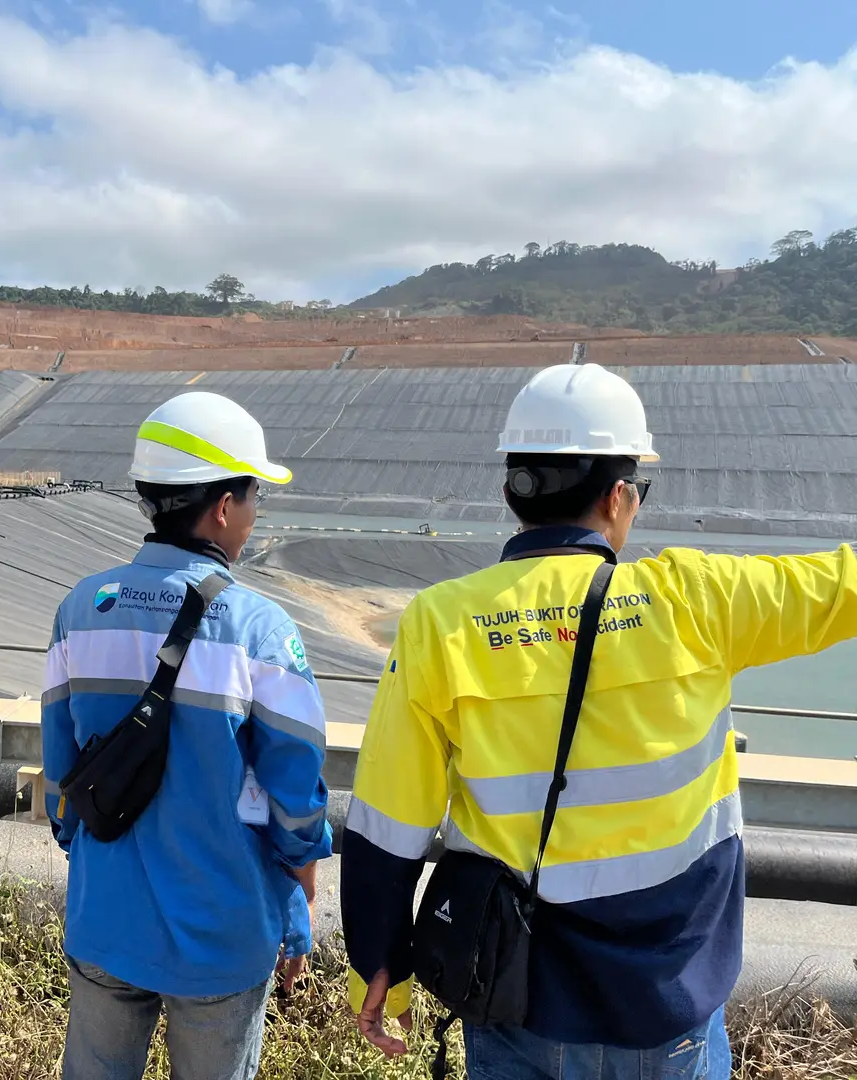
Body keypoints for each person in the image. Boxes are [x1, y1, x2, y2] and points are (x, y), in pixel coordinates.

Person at [340, 362, 857, 1080]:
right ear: (619, 496)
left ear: (511, 492)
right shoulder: (698, 598)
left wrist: (382, 967)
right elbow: (844, 587)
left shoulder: (440, 622)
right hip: (665, 1006)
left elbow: (387, 823)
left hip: (516, 998)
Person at [43, 391, 333, 1080]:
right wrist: (300, 887)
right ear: (225, 507)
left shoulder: (81, 607)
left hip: (104, 920)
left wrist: (93, 861)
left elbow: (62, 779)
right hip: (221, 932)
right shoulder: (259, 628)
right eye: (254, 495)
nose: (255, 515)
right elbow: (297, 793)